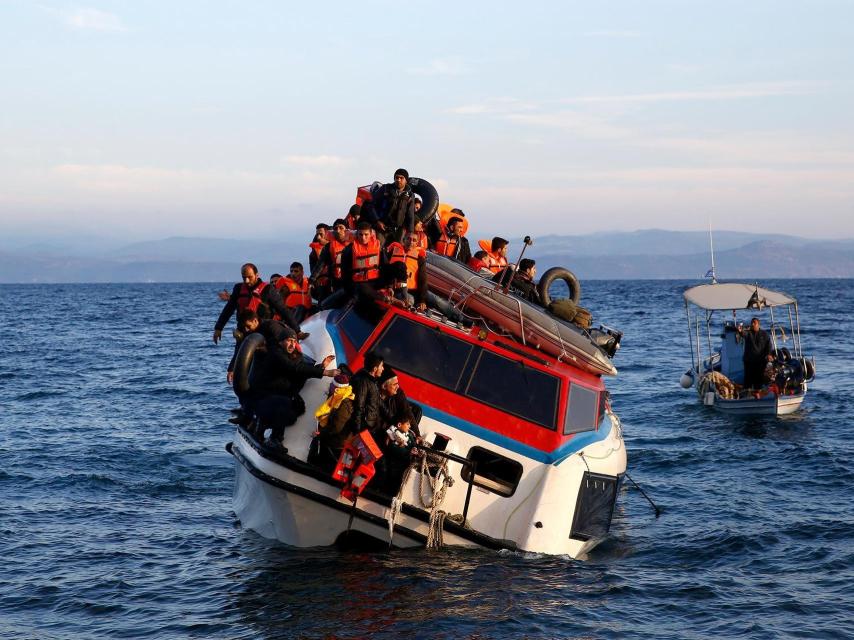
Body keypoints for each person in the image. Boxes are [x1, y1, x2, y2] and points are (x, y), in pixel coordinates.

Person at [252, 326, 338, 447]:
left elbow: (302, 371)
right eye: (289, 341)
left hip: (281, 392)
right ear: (281, 342)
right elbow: (294, 368)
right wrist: (325, 372)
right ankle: (274, 438)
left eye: (294, 341)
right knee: (284, 406)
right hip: (269, 394)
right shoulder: (276, 354)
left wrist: (321, 366)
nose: (292, 344)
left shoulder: (291, 355)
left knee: (298, 407)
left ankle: (263, 425)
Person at [213, 263, 300, 345]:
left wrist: (297, 331)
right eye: (244, 277)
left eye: (250, 277)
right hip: (243, 333)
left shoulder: (268, 289)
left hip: (263, 334)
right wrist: (218, 328)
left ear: (257, 275)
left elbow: (283, 311)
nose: (247, 281)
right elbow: (228, 309)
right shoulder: (238, 289)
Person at [312, 372, 356, 470]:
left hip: (336, 443)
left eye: (332, 385)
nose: (330, 385)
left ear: (337, 388)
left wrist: (321, 433)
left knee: (322, 466)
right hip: (333, 438)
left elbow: (336, 427)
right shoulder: (338, 397)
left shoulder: (344, 404)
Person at [376, 168, 415, 245]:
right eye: (397, 177)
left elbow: (410, 214)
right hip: (382, 226)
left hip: (399, 228)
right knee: (379, 247)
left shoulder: (410, 195)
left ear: (406, 180)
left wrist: (410, 232)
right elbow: (372, 205)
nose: (398, 180)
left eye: (401, 178)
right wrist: (377, 221)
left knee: (398, 248)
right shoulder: (385, 189)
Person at [349, 351, 384, 434]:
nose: (383, 369)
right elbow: (358, 406)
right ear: (375, 369)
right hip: (362, 427)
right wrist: (357, 431)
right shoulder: (363, 381)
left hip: (368, 426)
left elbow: (378, 401)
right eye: (381, 366)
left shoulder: (372, 381)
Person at [740, 317, 773, 390]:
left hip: (760, 361)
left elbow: (769, 346)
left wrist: (769, 354)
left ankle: (757, 392)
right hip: (749, 361)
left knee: (758, 380)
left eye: (754, 323)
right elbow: (743, 334)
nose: (752, 324)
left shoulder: (764, 334)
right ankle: (747, 393)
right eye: (752, 323)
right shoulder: (748, 333)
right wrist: (740, 331)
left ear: (758, 324)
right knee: (748, 380)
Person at [309, 224, 332, 302]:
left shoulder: (340, 245)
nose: (318, 237)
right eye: (317, 235)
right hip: (321, 285)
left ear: (328, 234)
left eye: (321, 234)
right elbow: (313, 270)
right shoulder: (313, 253)